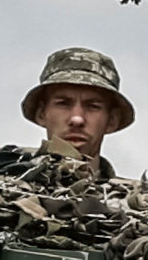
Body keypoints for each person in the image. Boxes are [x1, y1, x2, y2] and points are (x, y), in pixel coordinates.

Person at [25, 48, 138, 179]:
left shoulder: (144, 198)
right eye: (63, 103)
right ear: (41, 114)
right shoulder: (1, 189)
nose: (77, 119)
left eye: (93, 106)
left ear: (112, 120)